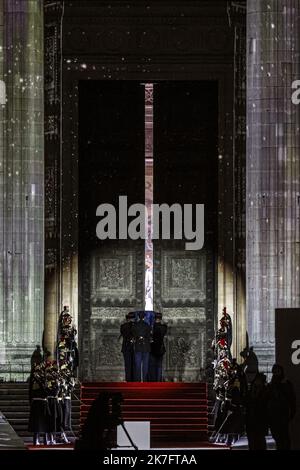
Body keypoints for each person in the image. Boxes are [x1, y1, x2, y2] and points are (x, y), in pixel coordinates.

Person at [267, 364, 296, 450]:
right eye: (274, 371)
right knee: (277, 436)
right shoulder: (272, 384)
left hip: (282, 413)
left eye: (277, 371)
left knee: (283, 436)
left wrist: (292, 411)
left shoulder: (285, 383)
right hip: (274, 414)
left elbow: (291, 398)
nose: (276, 373)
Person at [245, 372, 268, 450]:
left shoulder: (265, 391)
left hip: (260, 420)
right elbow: (247, 402)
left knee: (260, 442)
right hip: (251, 420)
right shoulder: (250, 390)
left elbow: (265, 405)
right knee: (252, 442)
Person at [132, 311, 151, 382]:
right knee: (145, 365)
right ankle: (145, 380)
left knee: (137, 365)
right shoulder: (147, 325)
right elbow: (149, 336)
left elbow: (133, 335)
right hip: (146, 347)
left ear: (138, 317)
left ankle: (138, 380)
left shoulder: (135, 325)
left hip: (138, 346)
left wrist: (138, 337)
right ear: (144, 317)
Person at [148, 312, 167, 381]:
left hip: (153, 348)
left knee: (152, 365)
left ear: (154, 319)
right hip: (160, 348)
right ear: (161, 319)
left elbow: (149, 337)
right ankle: (158, 380)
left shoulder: (151, 327)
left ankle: (153, 380)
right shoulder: (164, 327)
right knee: (159, 366)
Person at [120, 312, 135, 382]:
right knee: (133, 364)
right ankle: (133, 379)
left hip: (125, 347)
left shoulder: (123, 326)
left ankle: (128, 379)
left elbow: (123, 334)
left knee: (127, 364)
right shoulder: (135, 326)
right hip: (133, 347)